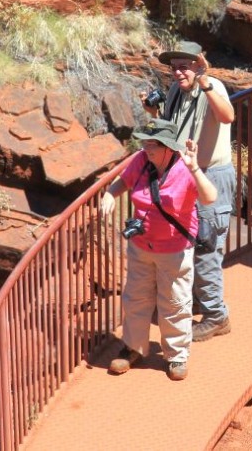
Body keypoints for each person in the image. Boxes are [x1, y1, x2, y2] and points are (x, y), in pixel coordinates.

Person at [100, 118, 217, 381]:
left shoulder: (185, 170)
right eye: (145, 142)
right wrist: (110, 193)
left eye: (153, 144)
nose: (147, 148)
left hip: (174, 250)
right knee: (136, 298)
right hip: (141, 246)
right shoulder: (141, 161)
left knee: (174, 302)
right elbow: (124, 181)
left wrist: (195, 168)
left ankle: (176, 356)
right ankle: (133, 348)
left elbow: (210, 197)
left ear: (168, 146)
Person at [144, 41, 236, 342]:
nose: (179, 72)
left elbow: (227, 116)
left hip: (210, 176)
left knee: (207, 247)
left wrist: (206, 82)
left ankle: (216, 316)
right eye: (174, 67)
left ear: (199, 64)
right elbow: (171, 133)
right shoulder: (174, 92)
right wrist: (153, 111)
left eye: (185, 65)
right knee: (187, 241)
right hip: (184, 176)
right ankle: (198, 300)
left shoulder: (213, 87)